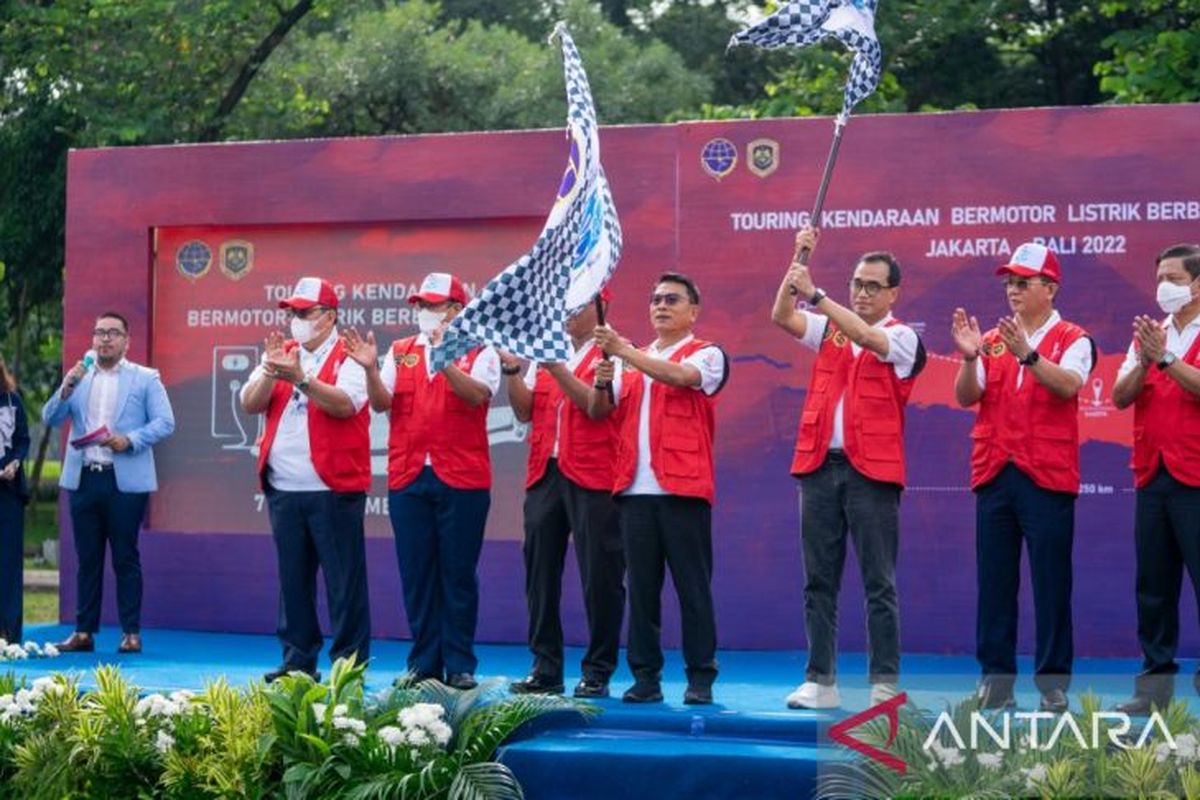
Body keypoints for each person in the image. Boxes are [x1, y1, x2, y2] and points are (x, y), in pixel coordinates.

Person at [771, 226, 926, 710]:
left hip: (871, 474)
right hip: (819, 467)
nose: (861, 292)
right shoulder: (829, 332)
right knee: (819, 579)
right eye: (857, 283)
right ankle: (821, 680)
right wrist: (796, 263)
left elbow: (864, 335)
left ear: (893, 293)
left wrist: (815, 292)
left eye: (872, 285)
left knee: (878, 581)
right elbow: (781, 316)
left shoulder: (901, 338)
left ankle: (883, 682)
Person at [951, 243, 1094, 713]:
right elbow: (966, 396)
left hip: (1046, 476)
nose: (1013, 290)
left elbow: (1069, 386)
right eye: (1009, 282)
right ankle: (996, 681)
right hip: (995, 471)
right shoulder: (993, 338)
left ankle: (1052, 685)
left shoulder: (1074, 337)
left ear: (1050, 289)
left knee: (1051, 583)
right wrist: (972, 358)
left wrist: (1028, 355)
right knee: (994, 583)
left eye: (1023, 282)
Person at [345, 272, 498, 690]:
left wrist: (445, 359)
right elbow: (381, 405)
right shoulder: (401, 351)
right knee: (417, 573)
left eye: (432, 305)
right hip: (409, 474)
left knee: (458, 573)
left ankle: (460, 663)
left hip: (462, 477)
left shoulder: (480, 350)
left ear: (456, 309)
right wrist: (371, 370)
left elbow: (476, 396)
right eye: (420, 305)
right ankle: (424, 663)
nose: (424, 313)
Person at [593, 272, 729, 705]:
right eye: (655, 300)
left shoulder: (707, 353)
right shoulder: (631, 361)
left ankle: (700, 676)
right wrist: (601, 376)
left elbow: (680, 377)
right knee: (642, 590)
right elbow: (600, 410)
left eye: (672, 299)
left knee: (692, 587)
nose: (661, 306)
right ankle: (645, 678)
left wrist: (625, 351)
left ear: (693, 310)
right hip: (634, 490)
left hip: (683, 489)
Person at [240, 277, 372, 682]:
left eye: (304, 313)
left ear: (329, 317)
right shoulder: (284, 353)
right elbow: (249, 402)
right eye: (291, 313)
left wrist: (300, 379)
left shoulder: (351, 356)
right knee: (293, 581)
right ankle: (298, 660)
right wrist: (270, 371)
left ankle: (348, 667)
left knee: (342, 582)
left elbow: (346, 404)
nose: (295, 320)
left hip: (332, 487)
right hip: (285, 488)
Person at [504, 290, 625, 699]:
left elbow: (596, 409)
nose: (568, 314)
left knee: (600, 575)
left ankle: (598, 670)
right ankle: (546, 667)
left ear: (599, 308)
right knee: (539, 573)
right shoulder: (547, 353)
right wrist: (511, 373)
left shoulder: (616, 353)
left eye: (578, 307)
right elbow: (524, 411)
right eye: (565, 307)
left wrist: (557, 369)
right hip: (545, 472)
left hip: (593, 475)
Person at [42, 311, 176, 653]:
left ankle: (131, 632)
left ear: (126, 341)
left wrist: (129, 440)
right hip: (84, 478)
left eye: (113, 333)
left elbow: (165, 422)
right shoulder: (79, 377)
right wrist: (67, 385)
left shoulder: (145, 378)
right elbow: (51, 417)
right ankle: (84, 632)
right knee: (87, 559)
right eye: (99, 332)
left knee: (125, 557)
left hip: (124, 481)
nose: (105, 339)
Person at [1111, 243, 1200, 714]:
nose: (1165, 286)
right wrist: (1147, 360)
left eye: (1175, 278)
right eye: (1160, 277)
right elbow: (1121, 396)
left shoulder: (1165, 342)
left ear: (1198, 284)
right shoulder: (1150, 334)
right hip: (1153, 473)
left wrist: (1165, 359)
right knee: (1154, 587)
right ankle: (1154, 688)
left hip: (1197, 476)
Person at [0, 354, 30, 645]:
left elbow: (23, 440)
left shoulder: (12, 400)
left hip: (8, 492)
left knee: (8, 561)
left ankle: (8, 629)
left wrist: (16, 462)